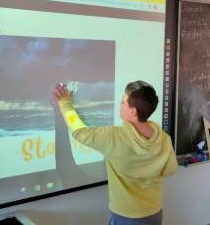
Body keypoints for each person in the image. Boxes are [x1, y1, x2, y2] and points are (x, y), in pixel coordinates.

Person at [52, 80, 178, 225]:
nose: (120, 104)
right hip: (154, 212)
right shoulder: (164, 138)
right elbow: (170, 169)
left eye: (123, 101)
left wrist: (65, 104)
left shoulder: (113, 137)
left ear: (133, 111)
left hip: (127, 216)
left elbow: (79, 132)